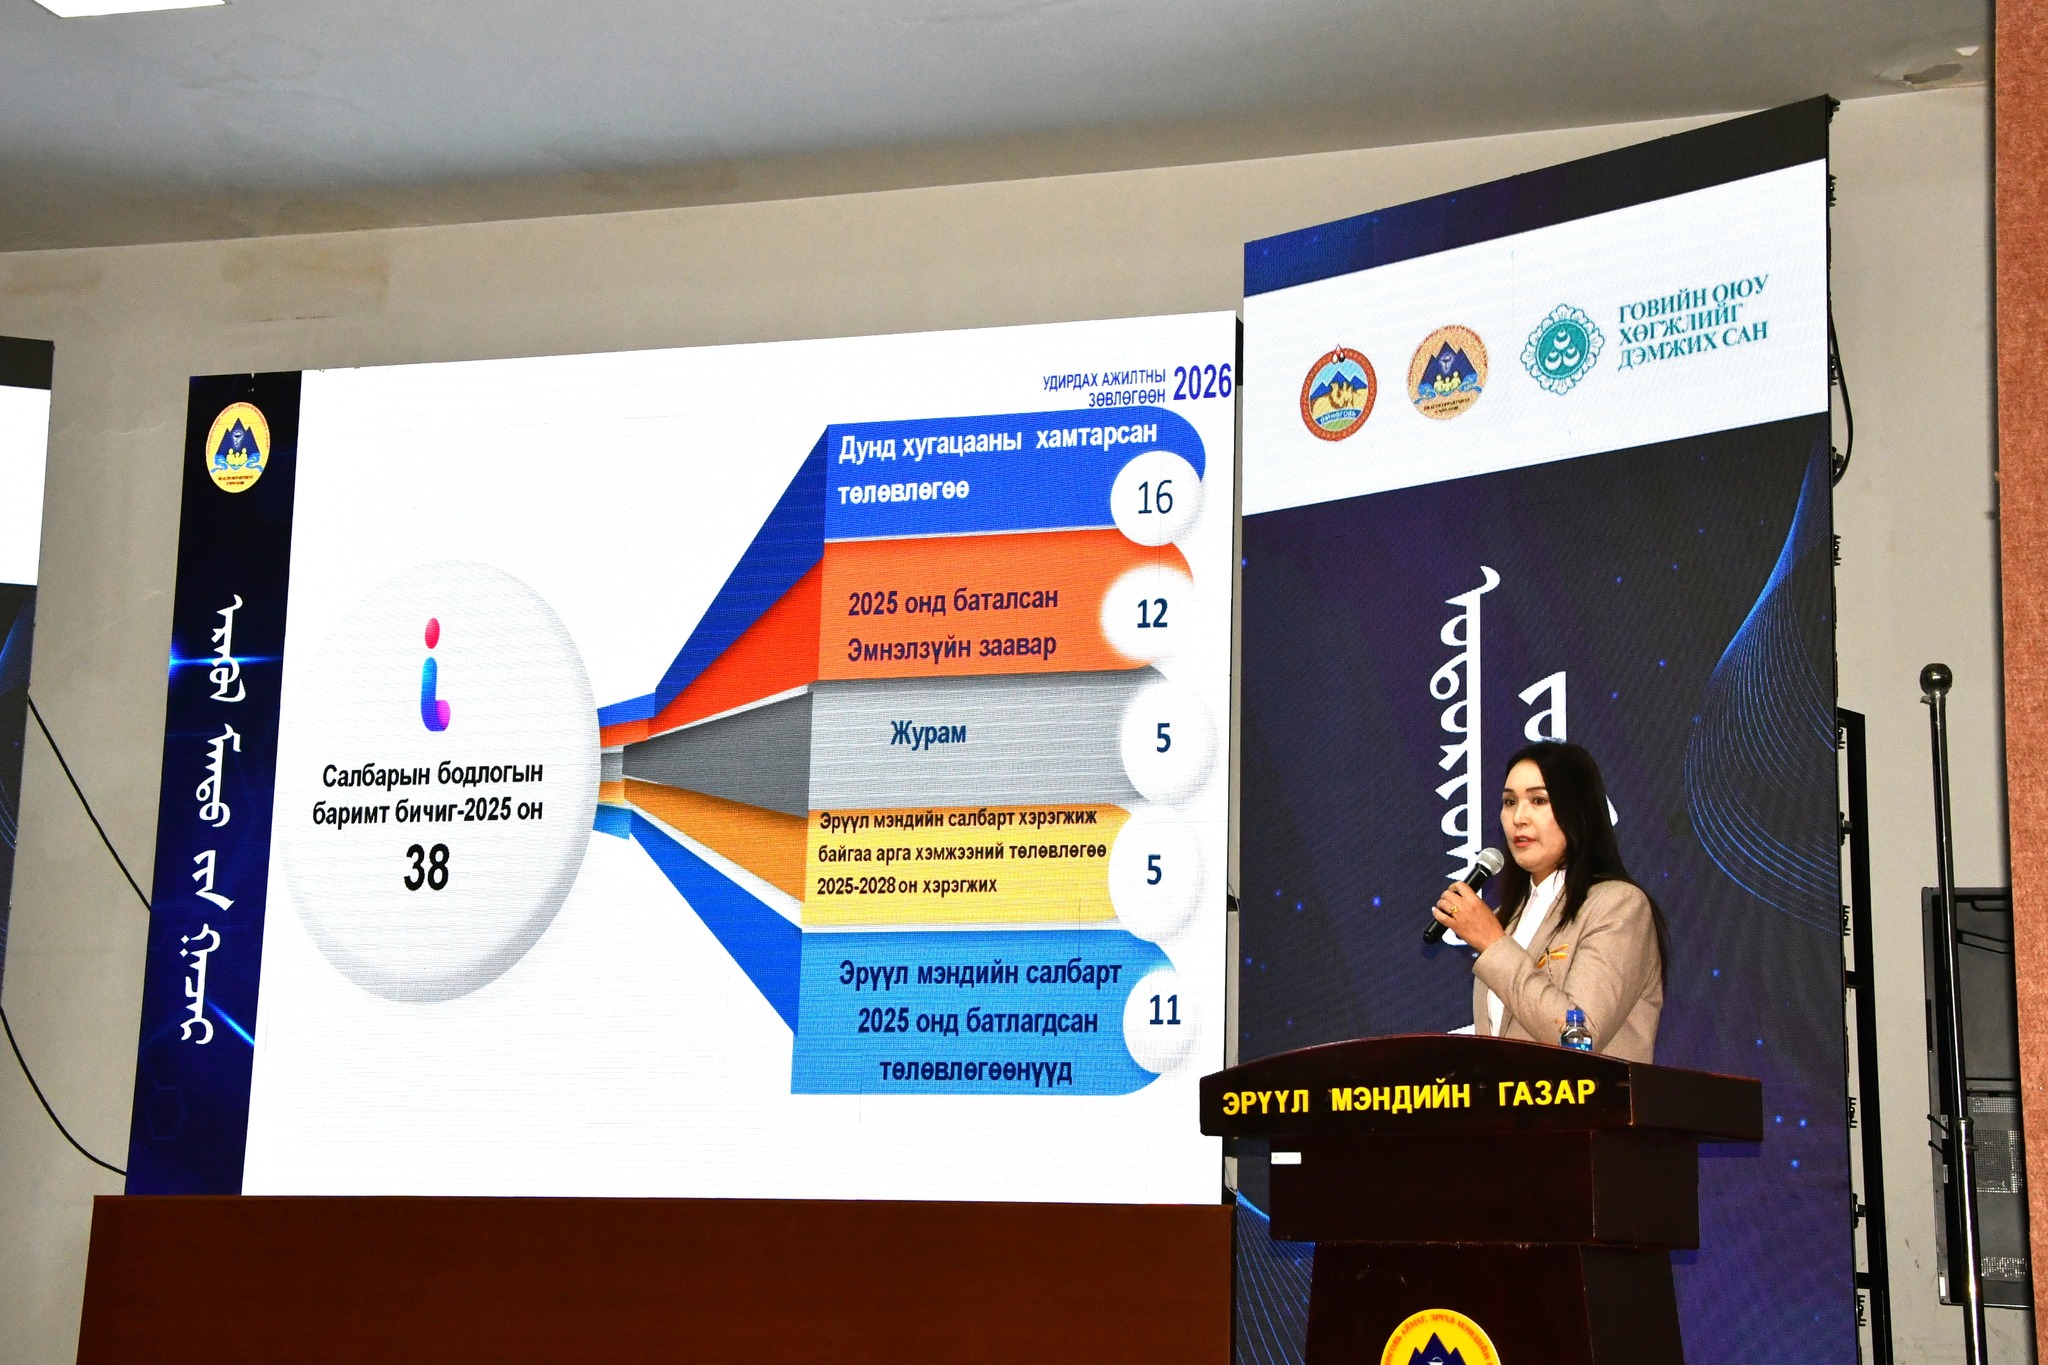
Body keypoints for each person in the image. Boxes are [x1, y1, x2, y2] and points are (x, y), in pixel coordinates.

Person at [1430, 741, 1668, 1062]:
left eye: (1538, 800)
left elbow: (1579, 1037)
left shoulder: (1619, 905)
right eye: (1509, 802)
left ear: (1578, 811)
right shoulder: (1508, 917)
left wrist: (1493, 942)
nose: (1519, 817)